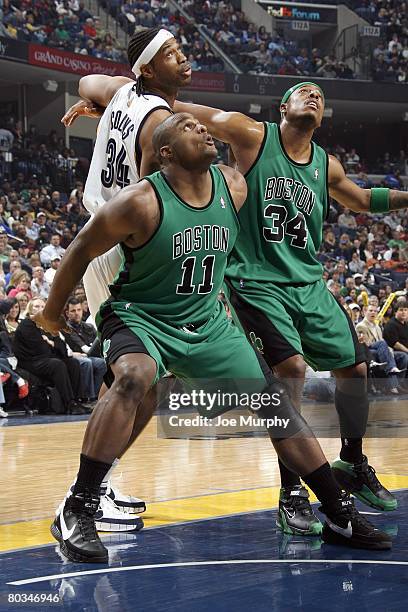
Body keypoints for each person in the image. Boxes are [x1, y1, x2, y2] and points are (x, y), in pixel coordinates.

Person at [35, 114, 391, 563]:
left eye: (201, 127)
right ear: (164, 154)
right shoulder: (138, 203)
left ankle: (338, 510)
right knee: (134, 376)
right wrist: (50, 314)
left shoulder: (233, 186)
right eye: (187, 127)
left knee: (276, 405)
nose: (202, 130)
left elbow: (268, 229)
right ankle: (79, 508)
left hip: (209, 324)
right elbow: (80, 250)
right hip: (144, 317)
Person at [59, 26, 193, 530]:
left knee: (137, 379)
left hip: (100, 238)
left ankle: (98, 485)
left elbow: (85, 83)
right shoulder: (160, 121)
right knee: (141, 378)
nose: (185, 61)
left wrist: (104, 108)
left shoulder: (119, 91)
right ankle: (85, 494)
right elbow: (155, 200)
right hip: (126, 250)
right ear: (149, 68)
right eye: (172, 55)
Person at [13, 298, 86, 415]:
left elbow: (62, 348)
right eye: (37, 306)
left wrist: (51, 341)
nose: (40, 309)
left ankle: (78, 401)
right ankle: (69, 403)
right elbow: (40, 350)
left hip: (46, 358)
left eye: (43, 307)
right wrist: (51, 344)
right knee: (57, 364)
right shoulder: (27, 325)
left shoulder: (48, 324)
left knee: (73, 363)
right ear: (30, 309)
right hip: (30, 362)